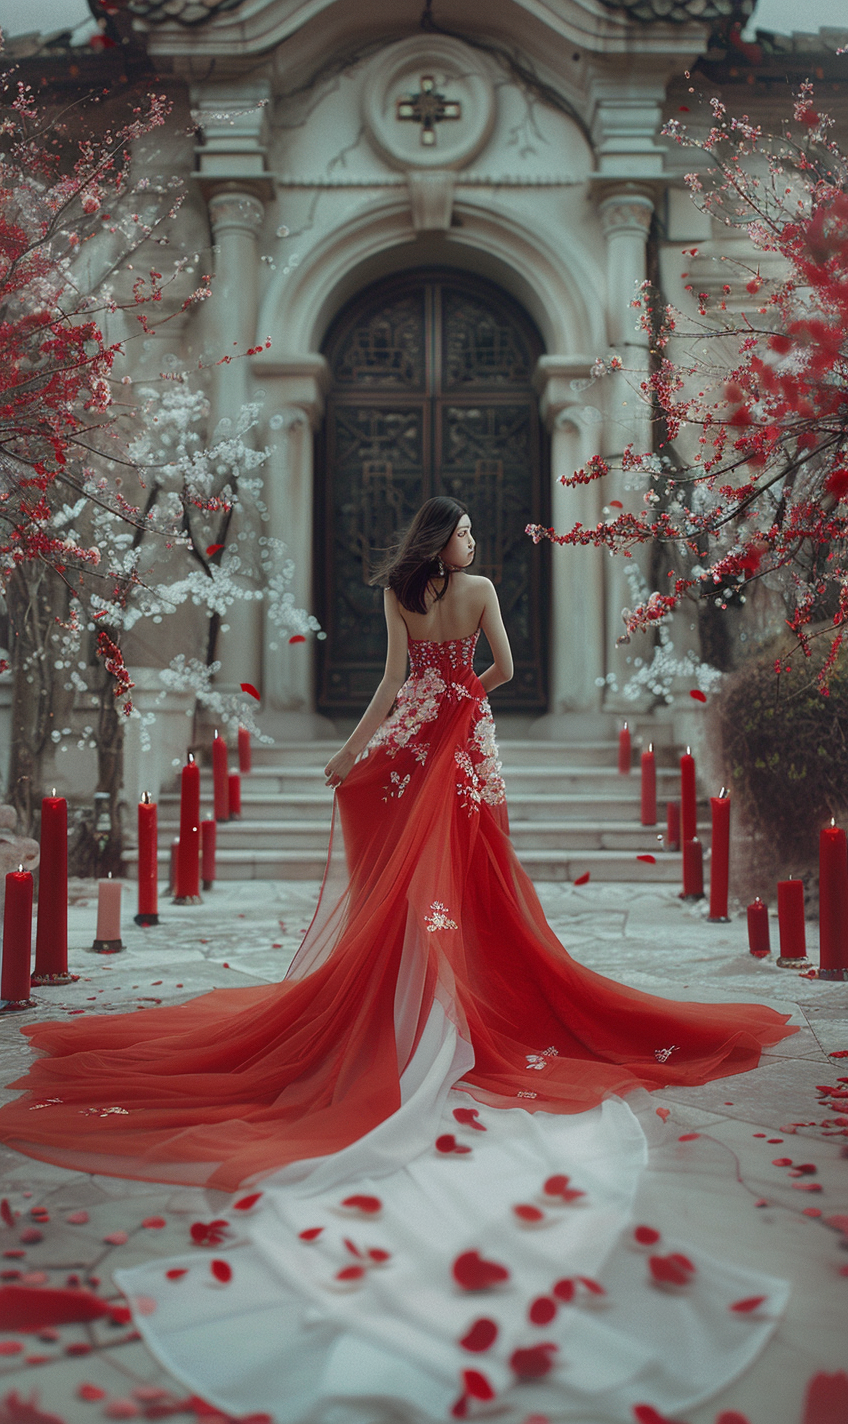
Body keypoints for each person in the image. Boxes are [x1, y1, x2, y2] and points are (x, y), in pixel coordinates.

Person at [0, 497, 798, 1423]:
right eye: (465, 533)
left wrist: (351, 754)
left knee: (431, 890)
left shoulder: (398, 595)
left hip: (417, 749)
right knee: (480, 885)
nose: (473, 544)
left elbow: (387, 686)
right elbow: (502, 666)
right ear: (449, 542)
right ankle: (464, 1003)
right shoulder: (483, 591)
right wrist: (465, 701)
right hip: (467, 752)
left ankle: (429, 1001)